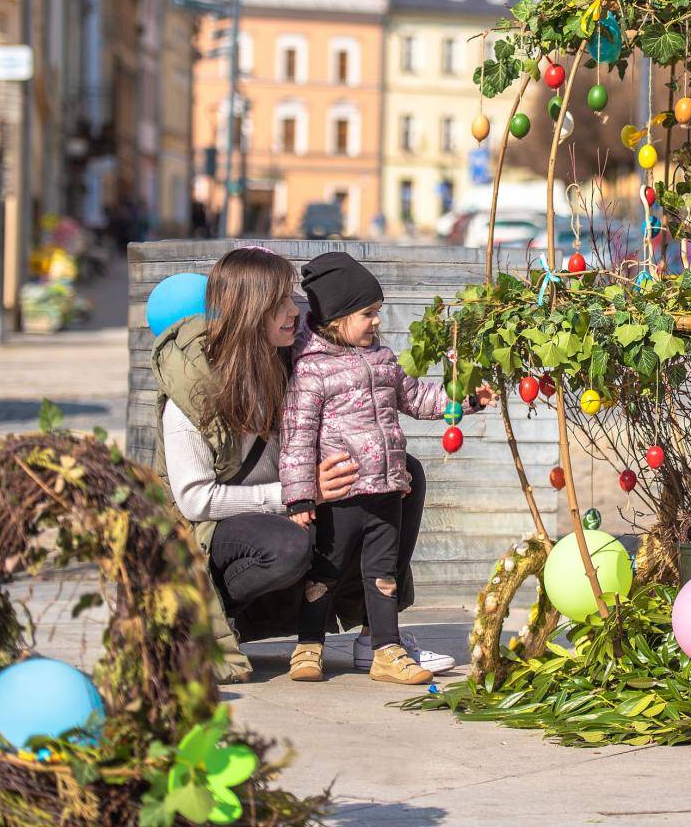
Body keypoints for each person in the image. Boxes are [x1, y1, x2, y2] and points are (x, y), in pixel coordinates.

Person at [152, 246, 452, 682]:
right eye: (280, 303)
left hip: (294, 497)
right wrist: (294, 492)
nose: (295, 310)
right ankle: (219, 621)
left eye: (293, 298)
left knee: (402, 471)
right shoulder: (193, 394)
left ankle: (378, 637)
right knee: (288, 547)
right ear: (249, 311)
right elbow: (195, 501)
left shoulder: (292, 358)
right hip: (215, 529)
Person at [280, 252, 494, 684]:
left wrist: (465, 401)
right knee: (325, 571)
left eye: (377, 313)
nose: (377, 322)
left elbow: (417, 399)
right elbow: (297, 435)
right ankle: (308, 646)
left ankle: (386, 649)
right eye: (368, 314)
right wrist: (300, 495)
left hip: (386, 491)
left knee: (384, 575)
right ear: (338, 317)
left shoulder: (383, 359)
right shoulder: (311, 371)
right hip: (340, 497)